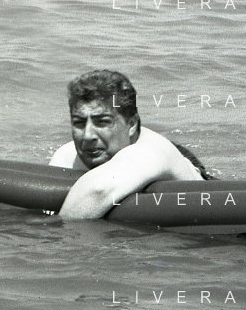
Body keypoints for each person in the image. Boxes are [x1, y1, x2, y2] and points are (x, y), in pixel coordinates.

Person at [48, 70, 213, 219]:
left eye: (102, 122)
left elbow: (99, 190)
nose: (88, 135)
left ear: (132, 124)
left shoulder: (151, 151)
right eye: (79, 123)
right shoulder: (67, 155)